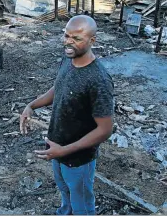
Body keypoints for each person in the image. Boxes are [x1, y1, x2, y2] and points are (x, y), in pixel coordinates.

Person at [20, 15, 114, 215]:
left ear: (92, 41)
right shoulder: (68, 59)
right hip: (57, 147)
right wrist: (31, 105)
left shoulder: (99, 80)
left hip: (79, 158)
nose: (68, 41)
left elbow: (105, 130)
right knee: (64, 191)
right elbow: (58, 88)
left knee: (81, 201)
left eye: (76, 38)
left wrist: (66, 151)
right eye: (66, 35)